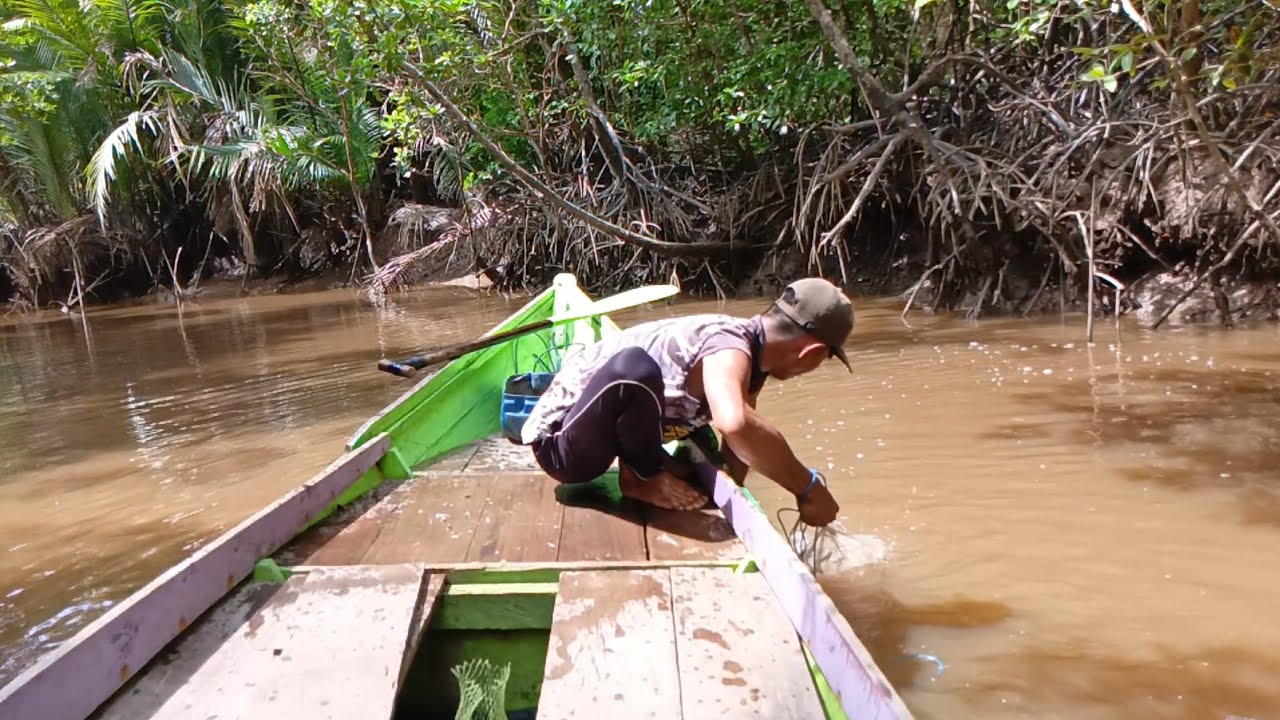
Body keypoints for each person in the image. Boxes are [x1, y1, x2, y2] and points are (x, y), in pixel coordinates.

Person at [520, 277, 853, 527]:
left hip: (606, 434)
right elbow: (734, 422)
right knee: (634, 367)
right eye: (822, 361)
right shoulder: (729, 345)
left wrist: (728, 488)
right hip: (562, 449)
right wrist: (806, 488)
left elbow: (741, 440)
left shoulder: (752, 361)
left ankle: (649, 468)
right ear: (812, 352)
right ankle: (639, 479)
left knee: (703, 441)